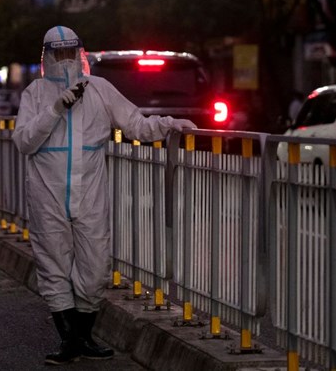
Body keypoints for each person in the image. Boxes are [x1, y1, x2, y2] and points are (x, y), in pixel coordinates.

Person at [12, 26, 197, 365]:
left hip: (90, 193)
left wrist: (170, 124)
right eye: (59, 54)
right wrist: (54, 109)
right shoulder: (35, 95)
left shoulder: (99, 89)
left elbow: (136, 125)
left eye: (71, 53)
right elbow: (24, 141)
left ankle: (82, 336)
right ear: (48, 56)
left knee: (96, 268)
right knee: (53, 266)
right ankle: (70, 340)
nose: (66, 60)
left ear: (79, 53)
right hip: (47, 193)